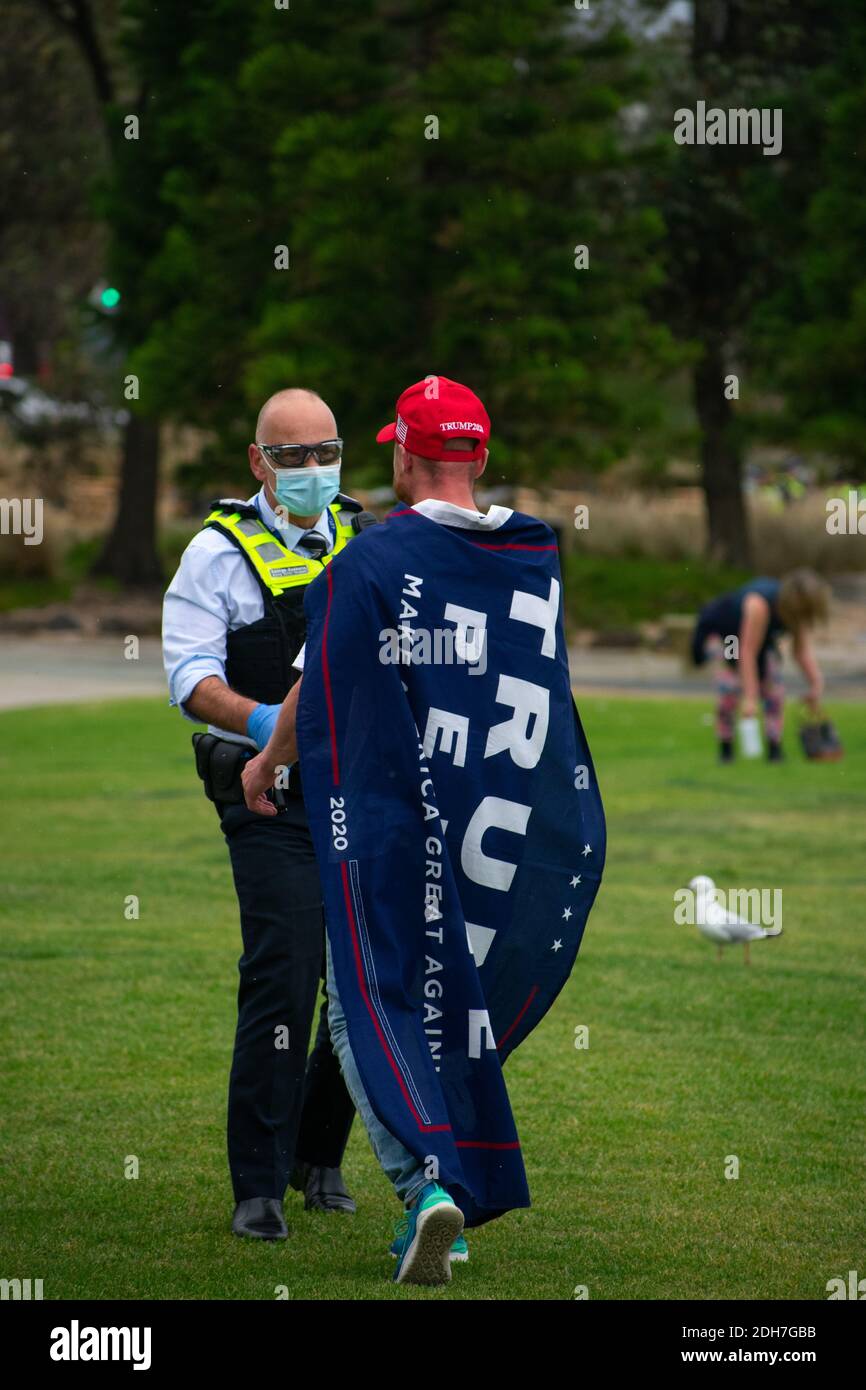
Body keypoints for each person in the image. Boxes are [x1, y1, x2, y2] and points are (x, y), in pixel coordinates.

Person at [242, 378, 605, 1285]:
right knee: (447, 1001)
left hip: (390, 821)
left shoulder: (365, 564)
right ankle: (446, 1180)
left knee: (368, 1001)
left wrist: (267, 762)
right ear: (478, 456)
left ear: (402, 457)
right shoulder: (535, 552)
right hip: (494, 824)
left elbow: (317, 691)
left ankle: (424, 1188)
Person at [162, 387, 363, 1240]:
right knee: (284, 970)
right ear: (259, 464)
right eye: (294, 457)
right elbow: (189, 678)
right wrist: (269, 729)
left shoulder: (369, 542)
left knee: (362, 985)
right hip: (264, 793)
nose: (314, 471)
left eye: (327, 453)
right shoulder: (215, 553)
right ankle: (259, 1185)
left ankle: (321, 1155)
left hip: (362, 798)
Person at [691, 570, 830, 762]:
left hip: (758, 641)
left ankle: (774, 749)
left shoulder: (796, 613)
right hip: (727, 635)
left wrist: (816, 684)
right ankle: (726, 749)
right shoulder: (759, 604)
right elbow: (746, 653)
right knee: (730, 688)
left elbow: (800, 651)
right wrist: (750, 697)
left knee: (774, 692)